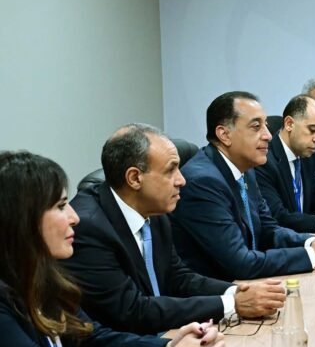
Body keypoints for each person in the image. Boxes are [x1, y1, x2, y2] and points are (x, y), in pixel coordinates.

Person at [0, 151, 227, 347]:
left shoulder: (43, 278)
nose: (74, 217)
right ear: (21, 220)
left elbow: (94, 338)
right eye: (60, 206)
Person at [62, 125, 285, 335]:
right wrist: (231, 304)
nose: (182, 180)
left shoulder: (154, 209)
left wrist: (236, 292)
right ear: (134, 178)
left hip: (167, 337)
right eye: (170, 171)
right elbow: (132, 310)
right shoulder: (89, 228)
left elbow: (178, 277)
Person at [170, 91, 315, 281]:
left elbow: (269, 230)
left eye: (266, 125)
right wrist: (312, 256)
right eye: (256, 127)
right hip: (221, 291)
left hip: (252, 283)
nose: (268, 135)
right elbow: (240, 262)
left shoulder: (246, 170)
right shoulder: (203, 182)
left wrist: (313, 242)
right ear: (224, 134)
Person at [255, 95, 315, 234]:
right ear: (289, 124)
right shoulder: (264, 161)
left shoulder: (305, 155)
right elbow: (278, 217)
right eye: (312, 130)